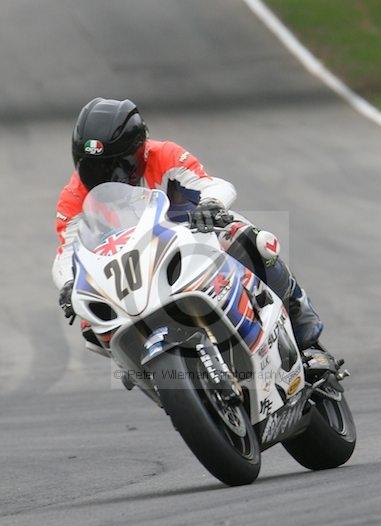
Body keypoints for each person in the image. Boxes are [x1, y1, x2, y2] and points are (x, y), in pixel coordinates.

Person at [53, 97, 322, 359]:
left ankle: (302, 325)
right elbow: (66, 252)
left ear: (140, 151)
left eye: (118, 164)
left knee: (245, 236)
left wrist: (211, 204)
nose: (107, 175)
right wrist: (68, 283)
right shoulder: (74, 196)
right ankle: (145, 373)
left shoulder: (164, 155)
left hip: (188, 244)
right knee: (89, 324)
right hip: (130, 272)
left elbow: (212, 185)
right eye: (93, 168)